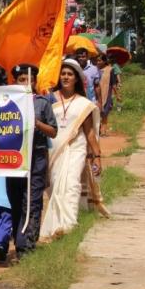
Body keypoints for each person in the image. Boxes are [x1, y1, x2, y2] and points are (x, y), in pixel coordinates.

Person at [41, 59, 102, 241]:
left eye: (70, 74)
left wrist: (97, 156)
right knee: (54, 187)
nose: (66, 77)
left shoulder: (83, 103)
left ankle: (68, 225)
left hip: (76, 147)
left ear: (76, 78)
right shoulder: (49, 98)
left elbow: (89, 132)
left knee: (71, 184)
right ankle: (56, 227)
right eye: (63, 74)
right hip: (53, 149)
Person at [7, 65, 57, 257]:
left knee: (32, 200)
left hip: (36, 157)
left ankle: (27, 244)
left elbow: (53, 131)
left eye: (29, 80)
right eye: (21, 80)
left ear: (35, 81)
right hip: (13, 159)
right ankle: (18, 239)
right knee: (16, 201)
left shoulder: (42, 103)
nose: (26, 83)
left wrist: (36, 123)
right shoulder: (7, 101)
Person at [96, 55, 116, 136]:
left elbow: (113, 84)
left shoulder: (110, 70)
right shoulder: (95, 70)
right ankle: (98, 129)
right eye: (97, 60)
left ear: (104, 61)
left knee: (105, 113)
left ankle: (103, 130)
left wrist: (117, 95)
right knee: (96, 113)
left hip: (107, 94)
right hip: (96, 94)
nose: (98, 62)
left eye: (100, 60)